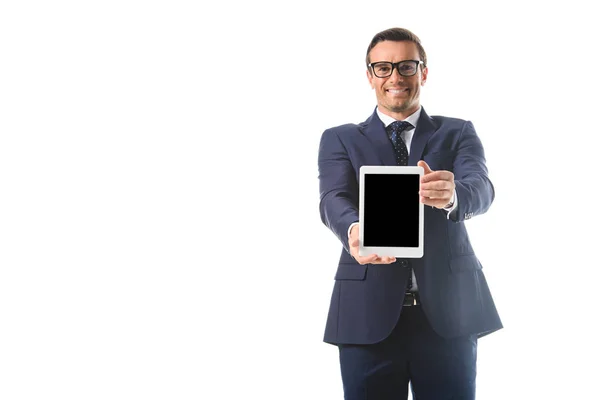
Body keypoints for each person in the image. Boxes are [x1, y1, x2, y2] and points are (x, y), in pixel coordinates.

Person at [317, 27, 503, 400]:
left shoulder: (458, 132)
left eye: (406, 66)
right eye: (383, 67)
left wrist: (453, 195)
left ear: (424, 72)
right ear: (370, 76)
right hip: (366, 314)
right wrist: (353, 229)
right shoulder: (340, 138)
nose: (395, 77)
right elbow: (333, 198)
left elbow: (482, 189)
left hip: (447, 314)